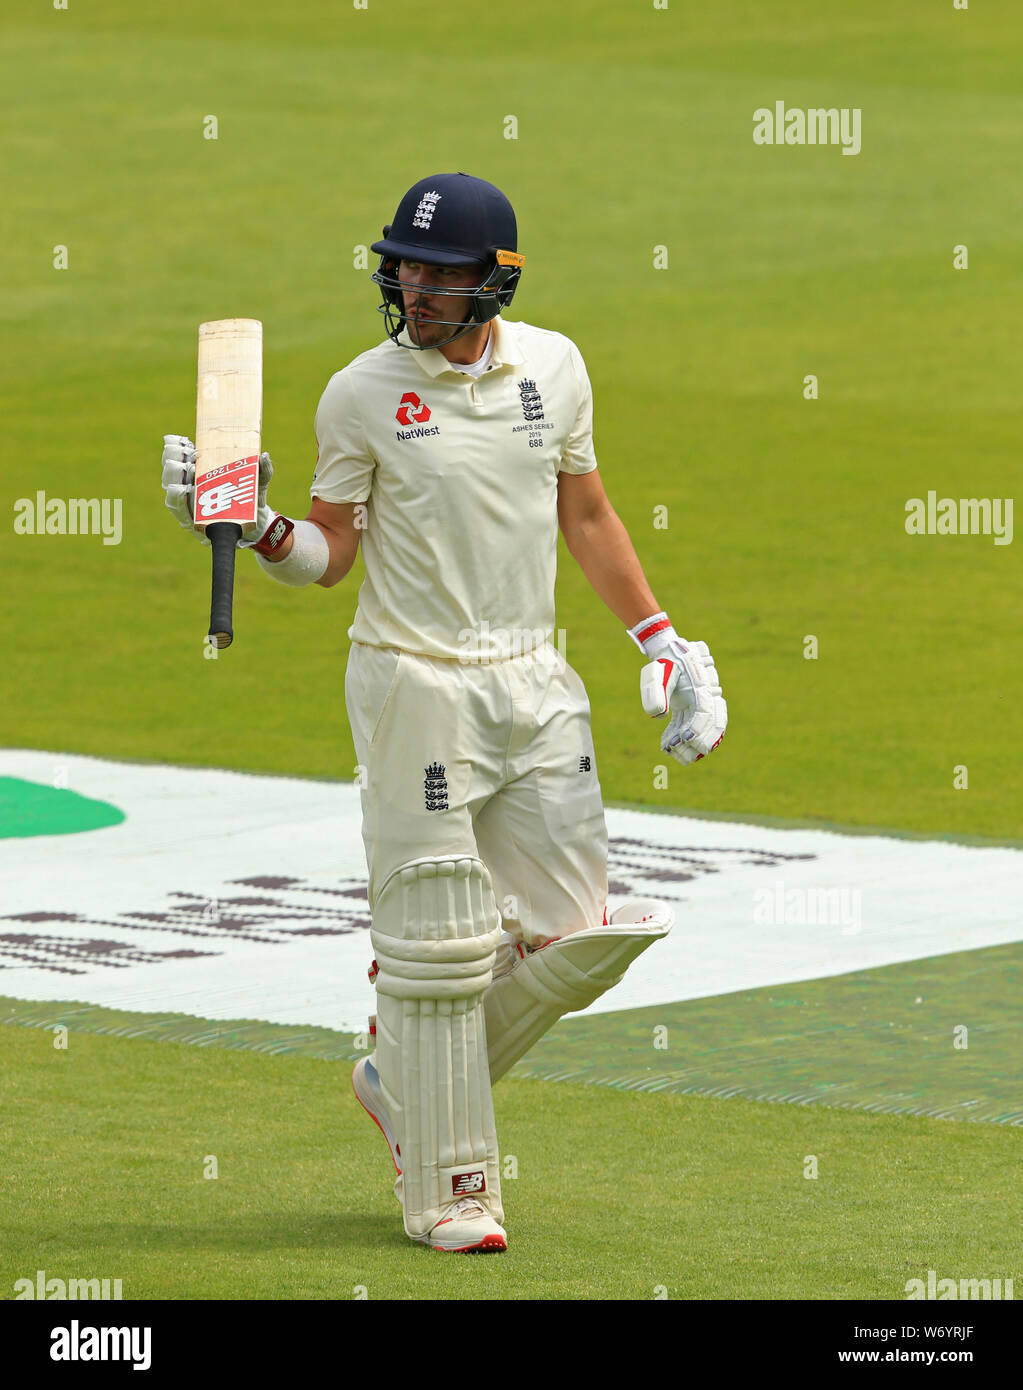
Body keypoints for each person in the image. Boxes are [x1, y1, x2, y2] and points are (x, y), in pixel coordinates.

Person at [161, 171, 727, 1254]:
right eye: (403, 268)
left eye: (439, 273)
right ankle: (450, 1194)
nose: (414, 289)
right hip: (413, 683)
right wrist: (260, 528)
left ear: (495, 281)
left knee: (580, 936)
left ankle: (398, 1077)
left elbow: (589, 511)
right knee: (436, 947)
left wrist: (661, 637)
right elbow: (333, 554)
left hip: (533, 678)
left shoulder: (554, 369)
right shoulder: (361, 393)